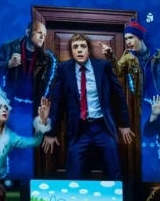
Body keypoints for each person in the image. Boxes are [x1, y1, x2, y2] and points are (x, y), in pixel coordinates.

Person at [43, 34, 133, 179]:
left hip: (102, 127)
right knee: (74, 172)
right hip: (79, 129)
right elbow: (57, 100)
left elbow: (118, 94)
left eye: (83, 46)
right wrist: (51, 131)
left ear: (89, 50)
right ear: (72, 51)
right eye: (75, 47)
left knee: (114, 168)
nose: (79, 50)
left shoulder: (103, 67)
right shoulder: (64, 69)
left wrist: (124, 123)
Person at [102, 21, 160, 102]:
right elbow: (118, 73)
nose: (128, 42)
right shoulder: (128, 56)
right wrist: (111, 57)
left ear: (140, 38)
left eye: (131, 37)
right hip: (142, 102)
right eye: (126, 39)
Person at [0, 20, 56, 106]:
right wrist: (8, 64)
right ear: (28, 32)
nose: (42, 37)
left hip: (34, 107)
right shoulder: (8, 48)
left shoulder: (47, 58)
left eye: (44, 35)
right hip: (10, 103)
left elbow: (49, 86)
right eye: (39, 32)